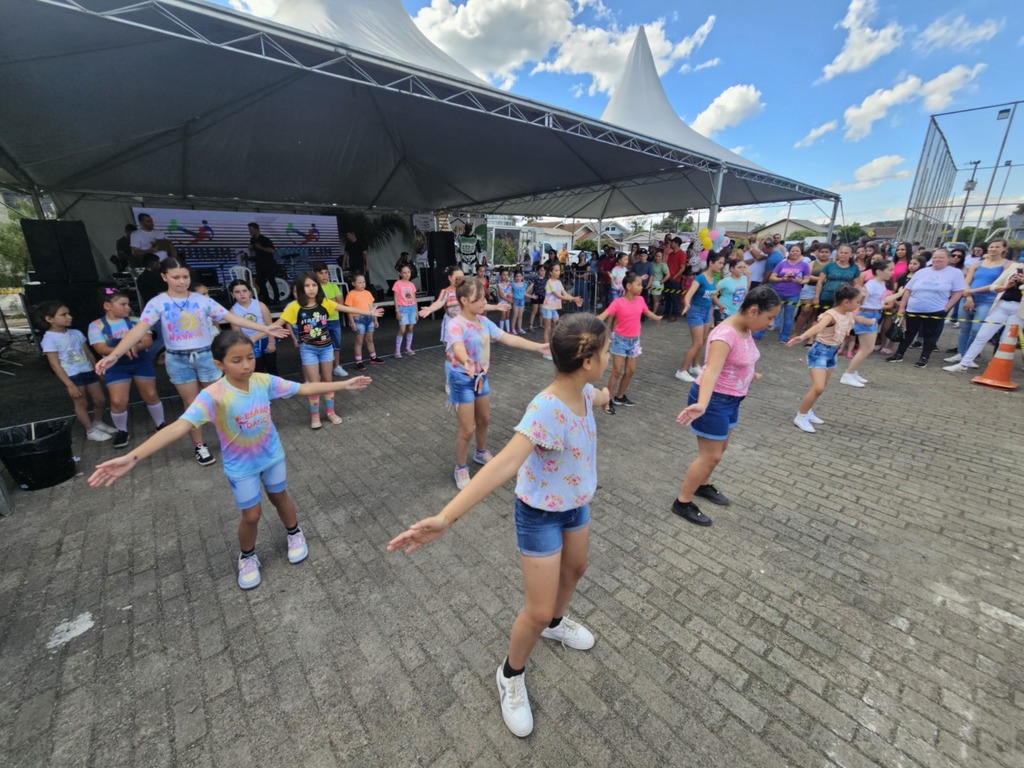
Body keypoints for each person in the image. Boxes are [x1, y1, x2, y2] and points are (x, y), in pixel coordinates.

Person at [388, 313, 611, 738]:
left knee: (576, 569)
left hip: (576, 505)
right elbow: (505, 464)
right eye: (605, 350)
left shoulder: (583, 391)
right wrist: (445, 517)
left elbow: (597, 398)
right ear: (586, 359)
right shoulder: (546, 408)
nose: (609, 355)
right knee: (537, 608)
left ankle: (557, 626)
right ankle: (510, 674)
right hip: (540, 514)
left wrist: (603, 397)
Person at [89, 331, 373, 590]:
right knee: (251, 515)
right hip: (241, 467)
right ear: (219, 363)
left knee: (281, 498)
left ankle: (294, 533)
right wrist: (133, 456)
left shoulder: (262, 381)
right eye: (236, 360)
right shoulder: (212, 395)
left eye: (250, 357)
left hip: (272, 457)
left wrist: (345, 384)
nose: (246, 365)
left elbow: (302, 388)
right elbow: (179, 426)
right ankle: (247, 556)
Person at [96, 257, 289, 466]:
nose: (181, 281)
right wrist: (114, 354)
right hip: (178, 360)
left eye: (185, 276)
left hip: (206, 356)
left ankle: (234, 441)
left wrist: (266, 328)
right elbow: (139, 329)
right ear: (164, 277)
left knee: (222, 401)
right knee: (191, 405)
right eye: (176, 277)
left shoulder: (201, 300)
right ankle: (199, 445)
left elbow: (231, 318)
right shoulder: (158, 302)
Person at [672, 285, 780, 526]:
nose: (771, 323)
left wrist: (750, 374)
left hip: (733, 399)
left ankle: (701, 486)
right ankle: (683, 501)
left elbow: (740, 359)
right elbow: (711, 370)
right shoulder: (725, 334)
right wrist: (702, 403)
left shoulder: (745, 329)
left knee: (719, 453)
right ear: (753, 311)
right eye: (769, 317)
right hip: (714, 401)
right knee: (710, 456)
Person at [445, 278, 551, 490]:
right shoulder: (455, 324)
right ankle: (461, 468)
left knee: (484, 420)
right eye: (479, 299)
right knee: (467, 430)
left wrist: (538, 347)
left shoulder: (483, 322)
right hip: (461, 379)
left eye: (484, 297)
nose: (484, 302)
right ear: (464, 300)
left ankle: (480, 452)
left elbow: (508, 338)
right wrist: (465, 359)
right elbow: (457, 346)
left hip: (481, 378)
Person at [273, 272, 382, 429]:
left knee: (328, 381)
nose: (311, 289)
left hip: (326, 348)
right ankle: (315, 415)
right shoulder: (294, 307)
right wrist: (259, 333)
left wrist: (370, 313)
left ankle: (330, 412)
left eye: (314, 285)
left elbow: (344, 308)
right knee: (314, 384)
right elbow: (277, 323)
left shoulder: (324, 303)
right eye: (307, 286)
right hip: (308, 350)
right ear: (300, 289)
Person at [88, 289, 165, 448]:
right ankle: (122, 431)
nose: (128, 307)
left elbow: (148, 340)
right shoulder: (96, 325)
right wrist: (122, 351)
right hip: (116, 366)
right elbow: (100, 348)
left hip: (140, 362)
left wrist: (136, 346)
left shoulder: (138, 320)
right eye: (123, 304)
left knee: (151, 394)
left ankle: (161, 425)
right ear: (107, 306)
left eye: (128, 304)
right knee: (118, 401)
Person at [788, 284, 870, 432]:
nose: (859, 305)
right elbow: (818, 327)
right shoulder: (830, 315)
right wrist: (803, 336)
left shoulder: (848, 313)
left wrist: (868, 318)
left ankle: (808, 411)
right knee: (818, 387)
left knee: (820, 387)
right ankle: (801, 416)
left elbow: (858, 316)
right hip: (820, 352)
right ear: (846, 302)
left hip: (832, 353)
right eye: (857, 302)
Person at [39, 300, 113, 443]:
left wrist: (98, 368)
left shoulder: (76, 333)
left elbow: (88, 353)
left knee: (100, 399)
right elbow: (55, 364)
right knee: (81, 403)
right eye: (63, 315)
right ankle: (90, 430)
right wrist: (70, 385)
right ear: (49, 319)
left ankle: (98, 422)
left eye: (69, 313)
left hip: (88, 370)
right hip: (72, 375)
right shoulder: (49, 339)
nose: (69, 317)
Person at [887, 249, 965, 367]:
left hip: (936, 309)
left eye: (941, 257)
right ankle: (899, 353)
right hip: (913, 308)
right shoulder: (922, 272)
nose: (937, 259)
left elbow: (958, 292)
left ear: (948, 259)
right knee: (908, 332)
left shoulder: (955, 273)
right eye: (935, 257)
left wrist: (947, 308)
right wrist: (902, 306)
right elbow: (908, 290)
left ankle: (924, 357)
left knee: (930, 334)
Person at [943, 257, 1023, 374]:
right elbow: (995, 285)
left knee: (1006, 340)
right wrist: (1007, 286)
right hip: (1001, 305)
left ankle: (998, 368)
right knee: (982, 335)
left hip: (1019, 310)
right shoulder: (1014, 267)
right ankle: (964, 364)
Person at [597, 272, 661, 414]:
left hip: (634, 341)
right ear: (629, 286)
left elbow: (647, 312)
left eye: (641, 284)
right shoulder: (618, 302)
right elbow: (604, 315)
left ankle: (619, 397)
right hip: (620, 341)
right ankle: (606, 401)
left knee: (630, 371)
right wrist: (590, 321)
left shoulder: (640, 300)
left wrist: (656, 317)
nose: (641, 287)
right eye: (638, 284)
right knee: (616, 371)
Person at [944, 239, 1010, 365]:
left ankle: (969, 356)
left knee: (976, 329)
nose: (993, 249)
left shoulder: (1007, 265)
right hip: (968, 298)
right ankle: (961, 353)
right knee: (964, 328)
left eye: (997, 247)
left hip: (988, 300)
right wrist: (969, 297)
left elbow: (997, 284)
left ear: (1004, 249)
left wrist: (972, 291)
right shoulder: (978, 263)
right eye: (991, 247)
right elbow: (967, 281)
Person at [675, 252, 726, 383]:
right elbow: (689, 294)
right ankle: (681, 371)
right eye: (720, 263)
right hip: (696, 312)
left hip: (707, 312)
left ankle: (694, 366)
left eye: (722, 263)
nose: (722, 265)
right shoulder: (700, 278)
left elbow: (712, 294)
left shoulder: (713, 278)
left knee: (702, 341)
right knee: (697, 343)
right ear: (711, 263)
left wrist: (720, 305)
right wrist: (686, 303)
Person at [841, 260, 893, 387]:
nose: (892, 273)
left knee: (866, 348)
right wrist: (863, 295)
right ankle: (848, 374)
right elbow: (861, 301)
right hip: (866, 315)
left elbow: (882, 300)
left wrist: (901, 294)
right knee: (866, 349)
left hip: (875, 314)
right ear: (879, 271)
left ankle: (852, 372)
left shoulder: (881, 284)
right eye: (890, 270)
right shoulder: (872, 284)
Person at [228, 279, 277, 376]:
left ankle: (277, 390)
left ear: (250, 292)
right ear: (232, 294)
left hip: (266, 339)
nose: (242, 294)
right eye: (237, 292)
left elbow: (270, 325)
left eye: (244, 291)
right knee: (257, 370)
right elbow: (237, 333)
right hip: (250, 342)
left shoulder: (260, 305)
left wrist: (271, 342)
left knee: (272, 368)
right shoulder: (233, 311)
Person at [311, 261, 348, 378]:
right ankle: (321, 370)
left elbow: (340, 302)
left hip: (334, 319)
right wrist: (332, 301)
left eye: (326, 273)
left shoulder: (334, 286)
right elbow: (315, 304)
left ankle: (336, 366)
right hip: (319, 321)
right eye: (321, 273)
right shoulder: (314, 288)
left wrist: (326, 302)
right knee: (321, 345)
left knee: (336, 345)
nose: (325, 275)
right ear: (315, 274)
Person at [769, 244, 811, 342]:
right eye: (793, 251)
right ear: (789, 252)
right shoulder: (782, 263)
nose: (795, 253)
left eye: (797, 251)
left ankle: (784, 335)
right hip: (778, 291)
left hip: (793, 293)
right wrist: (782, 279)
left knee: (788, 315)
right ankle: (760, 332)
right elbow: (772, 277)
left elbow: (807, 279)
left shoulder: (804, 265)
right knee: (771, 311)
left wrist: (800, 281)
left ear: (801, 253)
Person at [542, 263, 584, 358]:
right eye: (555, 270)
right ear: (550, 272)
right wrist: (573, 299)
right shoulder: (549, 282)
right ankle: (546, 350)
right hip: (547, 308)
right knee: (547, 329)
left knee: (557, 327)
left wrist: (574, 299)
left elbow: (564, 293)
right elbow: (558, 296)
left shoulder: (559, 282)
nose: (558, 272)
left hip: (553, 308)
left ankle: (553, 348)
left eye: (559, 270)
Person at [346, 274, 384, 370]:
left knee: (370, 339)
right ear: (353, 283)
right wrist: (352, 323)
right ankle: (358, 361)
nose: (362, 284)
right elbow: (349, 310)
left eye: (364, 282)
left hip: (369, 318)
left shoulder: (368, 293)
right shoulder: (351, 294)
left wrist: (375, 319)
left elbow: (372, 306)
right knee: (359, 341)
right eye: (359, 282)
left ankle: (373, 357)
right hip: (358, 319)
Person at [813, 244, 862, 314]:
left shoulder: (855, 267)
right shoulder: (829, 265)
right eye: (841, 252)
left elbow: (857, 285)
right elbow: (820, 282)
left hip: (844, 299)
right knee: (820, 318)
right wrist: (816, 297)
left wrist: (855, 300)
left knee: (838, 320)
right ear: (837, 253)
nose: (843, 255)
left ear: (851, 255)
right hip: (826, 297)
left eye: (846, 253)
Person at [248, 223, 280, 304]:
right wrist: (251, 247)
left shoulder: (265, 239)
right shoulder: (252, 239)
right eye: (249, 230)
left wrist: (260, 247)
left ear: (256, 229)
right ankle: (266, 299)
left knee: (271, 280)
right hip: (259, 263)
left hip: (268, 263)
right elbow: (251, 249)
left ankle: (277, 299)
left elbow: (272, 250)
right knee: (261, 282)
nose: (250, 232)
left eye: (251, 230)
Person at [392, 264, 419, 358]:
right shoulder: (397, 284)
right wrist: (397, 310)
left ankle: (408, 348)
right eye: (404, 272)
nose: (407, 274)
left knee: (411, 327)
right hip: (402, 308)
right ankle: (397, 350)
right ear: (400, 273)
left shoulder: (411, 284)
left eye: (408, 272)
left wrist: (416, 310)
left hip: (412, 308)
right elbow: (395, 298)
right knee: (402, 329)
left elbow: (414, 298)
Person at [663, 237, 686, 321]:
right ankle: (667, 312)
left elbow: (682, 268)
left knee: (674, 297)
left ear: (677, 243)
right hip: (668, 278)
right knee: (668, 297)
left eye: (672, 243)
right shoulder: (671, 254)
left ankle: (674, 314)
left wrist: (675, 277)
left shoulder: (682, 254)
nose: (671, 244)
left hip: (675, 280)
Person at [649, 248, 669, 315]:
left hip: (657, 283)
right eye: (656, 256)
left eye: (659, 256)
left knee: (656, 300)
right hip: (650, 282)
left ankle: (653, 314)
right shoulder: (651, 263)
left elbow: (668, 275)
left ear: (662, 257)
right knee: (650, 299)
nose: (657, 257)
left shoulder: (663, 265)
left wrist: (661, 281)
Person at [527, 264, 547, 331]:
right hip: (535, 296)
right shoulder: (535, 278)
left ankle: (541, 324)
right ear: (538, 271)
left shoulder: (545, 279)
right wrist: (526, 291)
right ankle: (530, 325)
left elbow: (546, 288)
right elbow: (531, 286)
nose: (543, 272)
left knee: (541, 311)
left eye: (544, 270)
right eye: (541, 270)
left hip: (542, 296)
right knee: (534, 311)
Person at [495, 267, 514, 333]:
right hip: (503, 302)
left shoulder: (509, 284)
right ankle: (501, 331)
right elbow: (501, 295)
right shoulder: (499, 284)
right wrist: (508, 300)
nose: (505, 276)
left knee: (507, 315)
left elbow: (511, 292)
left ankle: (508, 330)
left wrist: (511, 300)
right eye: (504, 274)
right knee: (503, 315)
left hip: (509, 302)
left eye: (507, 275)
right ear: (500, 275)